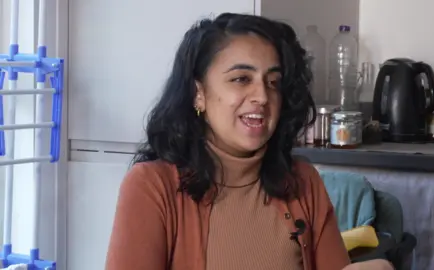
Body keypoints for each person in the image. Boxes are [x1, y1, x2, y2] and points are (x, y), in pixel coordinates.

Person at [105, 13, 393, 270]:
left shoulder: (303, 182)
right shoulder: (152, 187)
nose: (262, 97)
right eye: (241, 79)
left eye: (273, 83)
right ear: (198, 94)